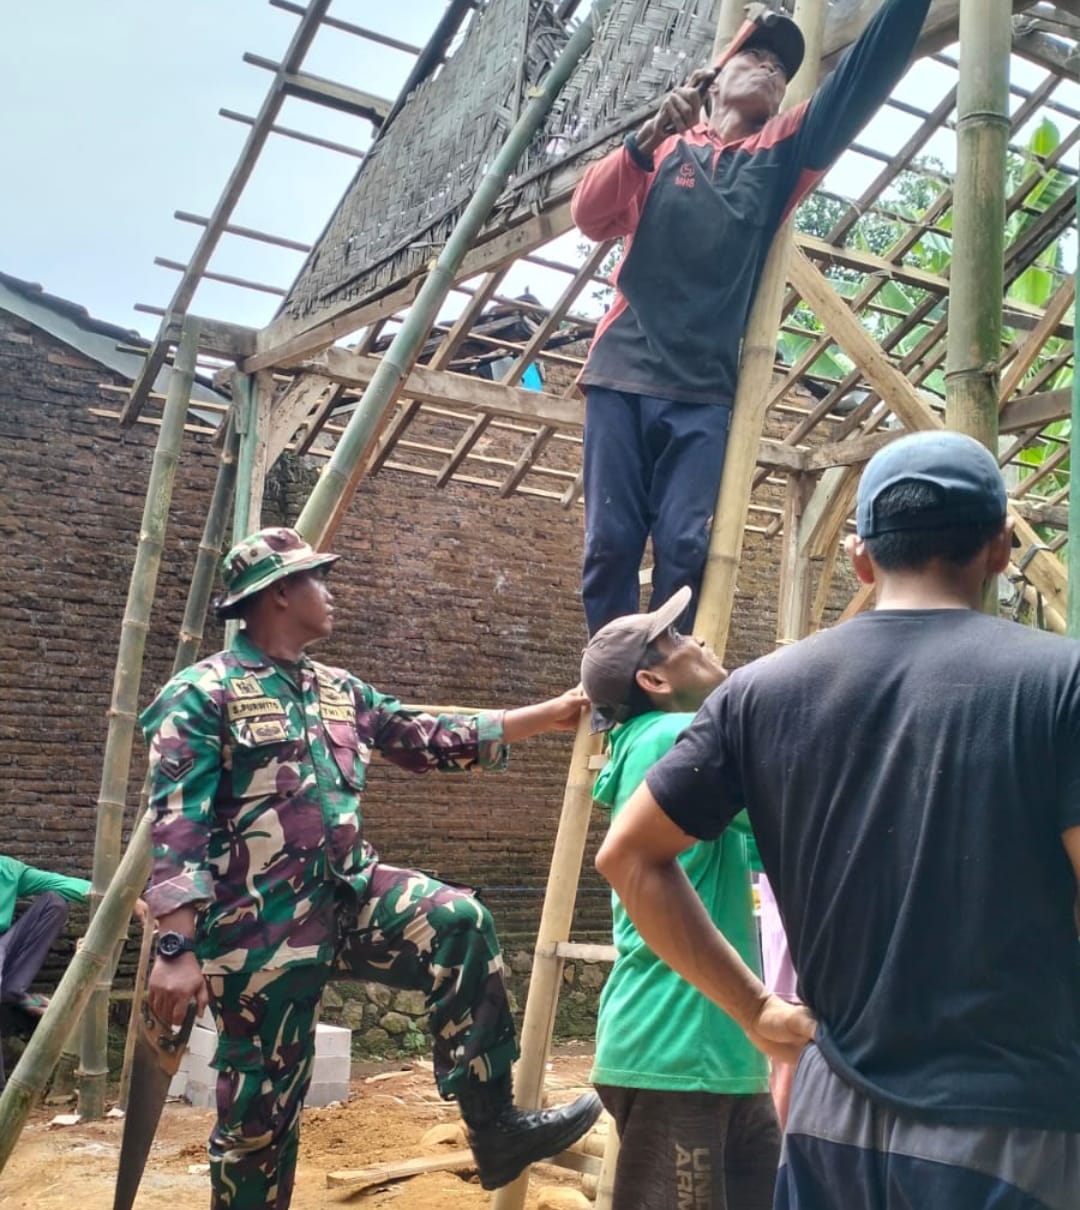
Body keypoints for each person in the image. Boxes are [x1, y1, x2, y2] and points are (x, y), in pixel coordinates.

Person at [595, 431, 1080, 1209]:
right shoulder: (1062, 683)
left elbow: (628, 857)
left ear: (860, 558)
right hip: (1009, 1128)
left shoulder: (758, 694)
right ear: (997, 549)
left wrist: (755, 1007)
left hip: (828, 1121)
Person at [140, 527, 601, 1209]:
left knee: (458, 921)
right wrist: (175, 947)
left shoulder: (338, 691)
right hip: (258, 935)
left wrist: (548, 717)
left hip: (351, 899)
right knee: (259, 1128)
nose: (329, 593)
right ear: (277, 595)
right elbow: (178, 821)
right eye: (316, 581)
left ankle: (495, 1125)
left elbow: (421, 734)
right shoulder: (203, 693)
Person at [572, 0, 933, 634]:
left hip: (704, 390)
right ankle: (610, 687)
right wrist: (650, 134)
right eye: (756, 56)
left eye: (781, 68)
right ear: (714, 77)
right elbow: (591, 216)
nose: (771, 69)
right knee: (610, 544)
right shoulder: (664, 148)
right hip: (623, 369)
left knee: (686, 547)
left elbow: (863, 77)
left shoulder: (779, 155)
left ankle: (664, 687)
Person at [581, 586, 780, 1210]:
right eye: (680, 639)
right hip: (680, 1046)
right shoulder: (671, 737)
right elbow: (786, 815)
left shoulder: (662, 744)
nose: (700, 642)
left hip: (715, 1051)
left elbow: (758, 846)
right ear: (653, 680)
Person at [0, 856, 91, 1088]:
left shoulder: (7, 870)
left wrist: (124, 899)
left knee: (54, 903)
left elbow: (65, 885)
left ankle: (12, 992)